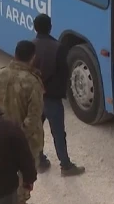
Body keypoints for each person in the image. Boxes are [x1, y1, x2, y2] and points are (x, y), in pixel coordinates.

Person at [0, 41, 45, 204]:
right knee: (22, 187)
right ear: (33, 57)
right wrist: (20, 138)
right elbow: (34, 117)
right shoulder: (33, 82)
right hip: (25, 144)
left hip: (0, 140)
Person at [32, 13, 85, 176]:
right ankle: (66, 166)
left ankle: (39, 160)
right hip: (52, 98)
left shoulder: (30, 45)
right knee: (58, 133)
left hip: (35, 97)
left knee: (37, 129)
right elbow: (64, 72)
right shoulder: (58, 47)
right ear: (50, 27)